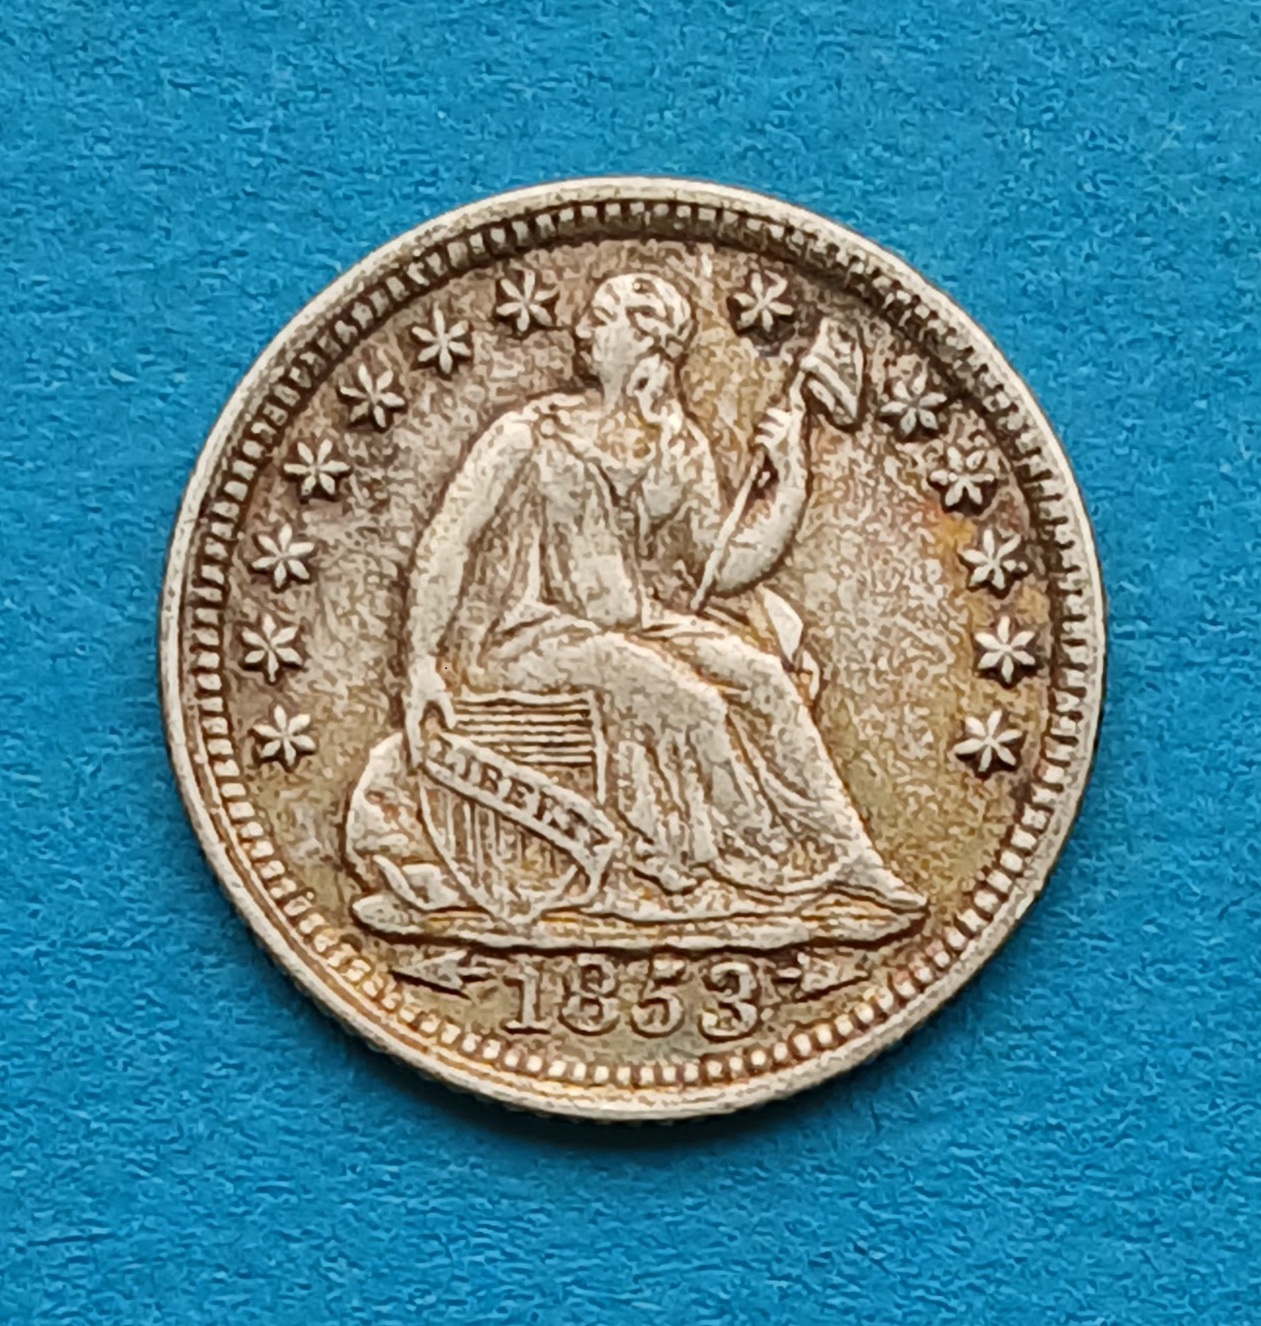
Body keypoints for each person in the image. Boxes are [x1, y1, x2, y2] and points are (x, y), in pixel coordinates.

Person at [346, 271, 925, 921]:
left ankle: (849, 856)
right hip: (523, 637)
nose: (582, 330)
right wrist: (422, 661)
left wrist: (791, 478)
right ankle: (770, 863)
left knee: (765, 679)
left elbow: (722, 569)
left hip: (635, 625)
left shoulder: (679, 446)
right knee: (688, 700)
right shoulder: (528, 434)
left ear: (647, 341)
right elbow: (447, 542)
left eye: (602, 319)